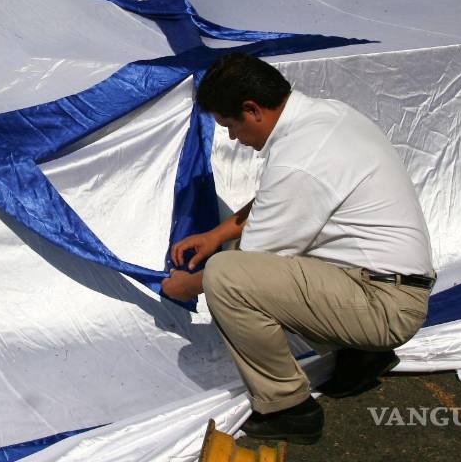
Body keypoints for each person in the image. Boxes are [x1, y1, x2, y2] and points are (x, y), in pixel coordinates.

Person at [161, 53, 434, 445]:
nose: (235, 138)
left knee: (225, 275)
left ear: (252, 109)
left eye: (231, 125)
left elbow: (249, 266)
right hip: (387, 283)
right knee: (237, 252)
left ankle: (288, 407)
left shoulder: (299, 159)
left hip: (385, 304)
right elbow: (277, 198)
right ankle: (361, 353)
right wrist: (217, 234)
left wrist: (186, 287)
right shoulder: (327, 117)